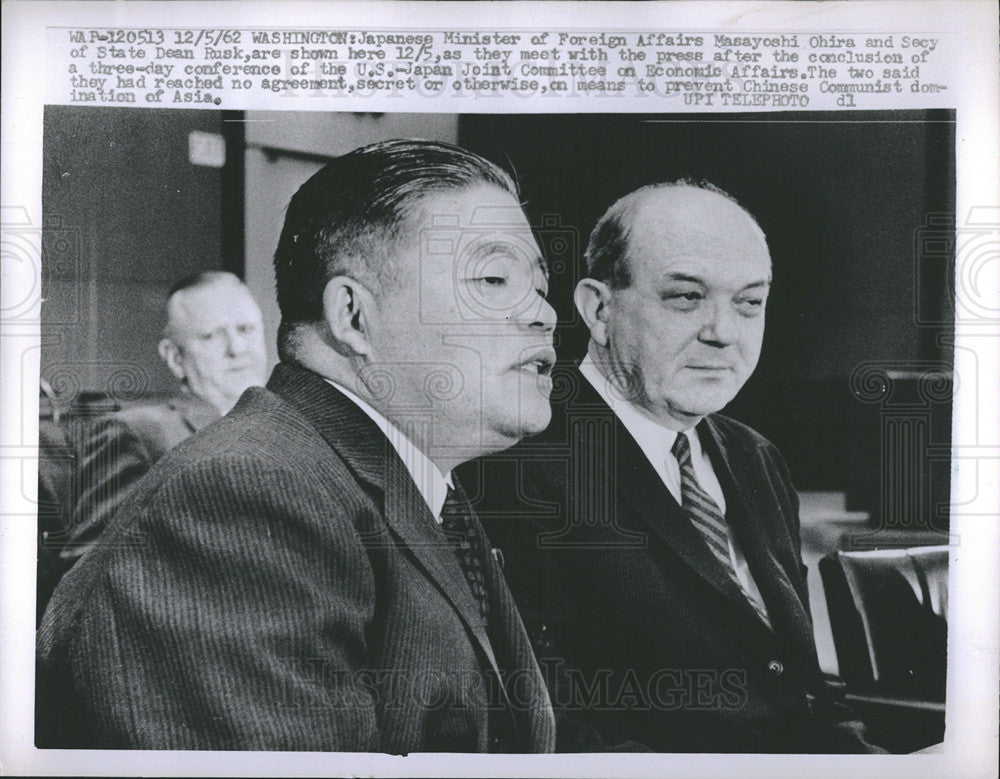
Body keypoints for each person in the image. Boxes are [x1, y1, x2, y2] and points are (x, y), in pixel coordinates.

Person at [36, 139, 559, 753]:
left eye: (541, 286)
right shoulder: (245, 496)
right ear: (354, 317)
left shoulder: (393, 481)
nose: (543, 314)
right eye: (494, 278)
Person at [463, 181, 882, 753]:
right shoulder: (512, 461)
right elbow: (539, 725)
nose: (723, 333)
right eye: (686, 297)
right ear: (598, 309)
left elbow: (801, 686)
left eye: (749, 302)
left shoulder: (754, 456)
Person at [56, 271, 268, 571]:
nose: (237, 349)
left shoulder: (292, 428)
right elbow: (90, 575)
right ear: (174, 357)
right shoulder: (139, 433)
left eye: (246, 329)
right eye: (211, 336)